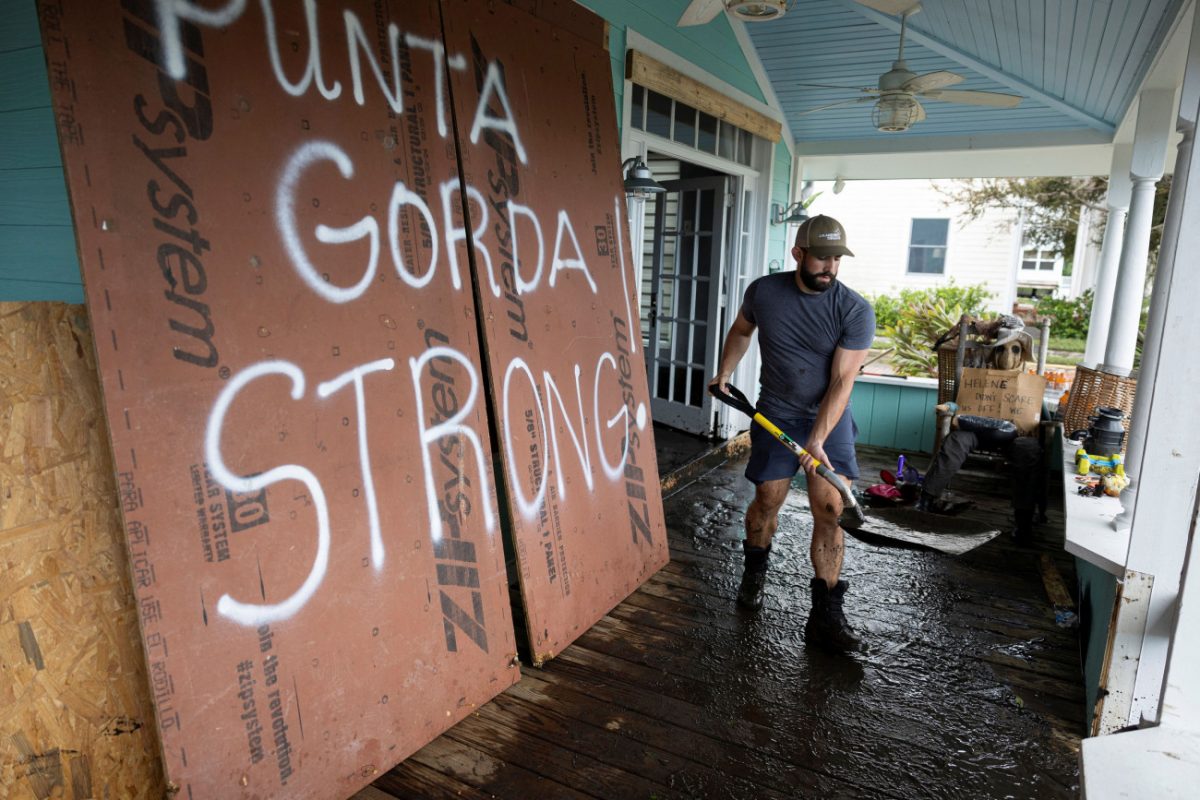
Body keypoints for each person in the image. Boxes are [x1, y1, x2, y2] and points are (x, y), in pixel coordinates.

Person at [709, 214, 875, 651]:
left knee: (830, 506)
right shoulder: (764, 292)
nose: (830, 267)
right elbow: (742, 330)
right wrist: (725, 371)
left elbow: (842, 382)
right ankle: (754, 570)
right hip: (776, 414)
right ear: (799, 254)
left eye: (837, 258)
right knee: (768, 499)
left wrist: (818, 440)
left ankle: (825, 615)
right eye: (822, 258)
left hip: (828, 417)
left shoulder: (854, 309)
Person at [917, 326, 1045, 545]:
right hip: (976, 431)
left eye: (1015, 350)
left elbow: (1036, 412)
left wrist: (1036, 419)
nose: (1007, 356)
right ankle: (927, 499)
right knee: (955, 440)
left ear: (1022, 355)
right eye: (1000, 350)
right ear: (992, 352)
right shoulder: (977, 377)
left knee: (1029, 450)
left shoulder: (1029, 385)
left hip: (1014, 436)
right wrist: (948, 405)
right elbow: (961, 403)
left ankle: (1023, 519)